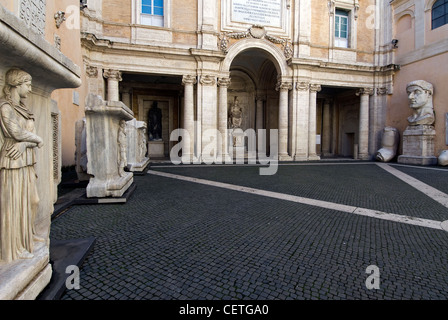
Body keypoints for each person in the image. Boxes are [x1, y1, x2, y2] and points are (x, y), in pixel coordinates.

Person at [0, 68, 43, 262]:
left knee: (33, 200)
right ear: (17, 85)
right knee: (14, 204)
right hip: (12, 160)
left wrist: (28, 142)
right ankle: (14, 247)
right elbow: (15, 132)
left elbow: (23, 138)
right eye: (28, 84)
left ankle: (28, 234)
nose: (30, 88)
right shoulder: (5, 107)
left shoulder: (24, 109)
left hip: (26, 158)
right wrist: (36, 139)